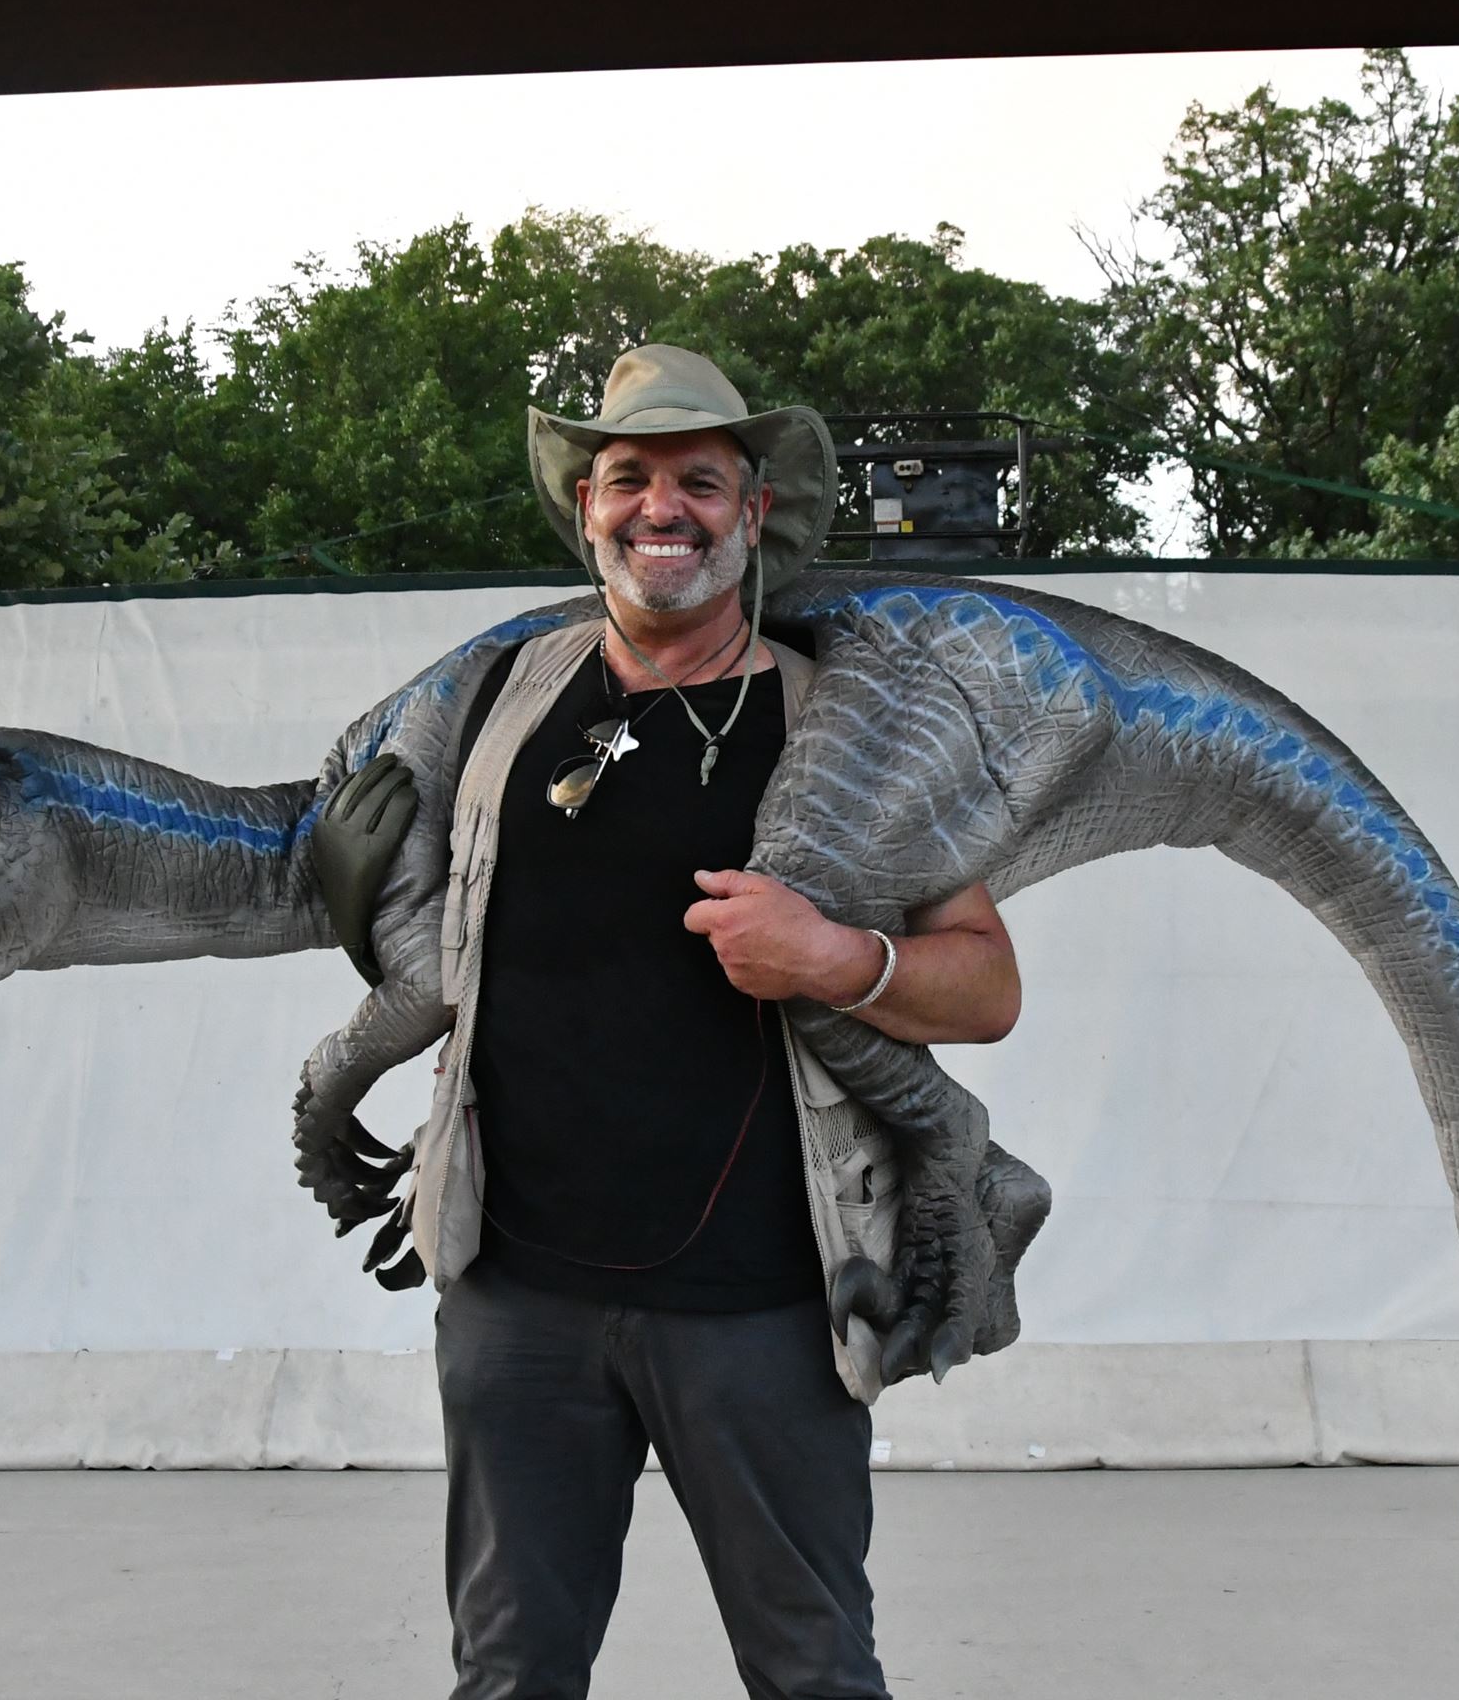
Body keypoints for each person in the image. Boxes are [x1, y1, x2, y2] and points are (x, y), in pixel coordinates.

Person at [414, 344, 1021, 1699]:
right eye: (626, 478)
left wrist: (832, 955)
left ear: (755, 515)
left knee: (814, 1670)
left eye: (702, 480)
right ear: (586, 508)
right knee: (508, 1673)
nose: (660, 509)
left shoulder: (844, 724)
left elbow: (986, 982)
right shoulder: (501, 705)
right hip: (517, 1303)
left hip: (759, 1311)